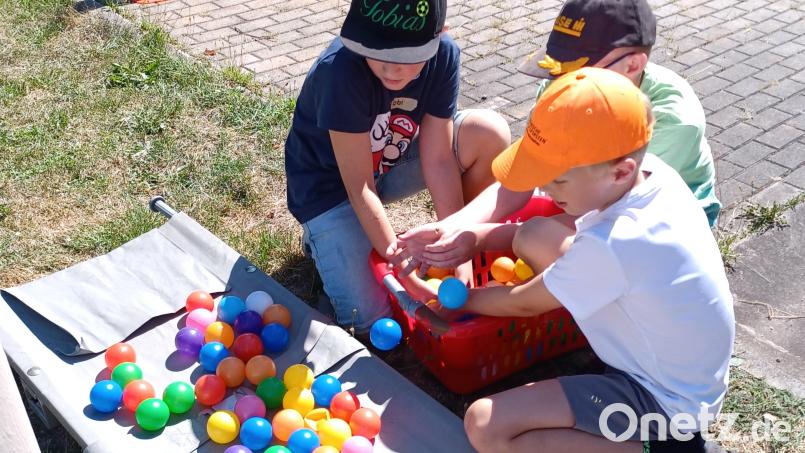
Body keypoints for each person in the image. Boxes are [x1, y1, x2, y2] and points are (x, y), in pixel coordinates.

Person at [455, 67, 735, 452]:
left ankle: (661, 448)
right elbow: (546, 242)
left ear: (620, 172)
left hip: (664, 406)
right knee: (537, 233)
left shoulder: (615, 243)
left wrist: (455, 300)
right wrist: (476, 238)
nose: (546, 189)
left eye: (559, 180)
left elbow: (522, 302)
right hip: (687, 384)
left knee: (486, 425)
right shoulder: (658, 175)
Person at [388, 0, 720, 275]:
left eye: (575, 72)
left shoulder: (672, 122)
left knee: (544, 245)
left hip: (657, 232)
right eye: (556, 72)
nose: (559, 84)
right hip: (590, 199)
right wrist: (456, 226)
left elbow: (606, 215)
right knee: (540, 243)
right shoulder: (563, 90)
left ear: (633, 64)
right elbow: (520, 178)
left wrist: (486, 237)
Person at [284, 0, 510, 333]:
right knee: (372, 317)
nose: (392, 70)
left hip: (388, 162)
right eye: (377, 52)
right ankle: (324, 237)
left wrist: (457, 243)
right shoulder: (341, 72)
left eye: (405, 57)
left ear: (440, 36)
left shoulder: (443, 54)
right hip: (331, 191)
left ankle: (472, 232)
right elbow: (359, 187)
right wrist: (401, 264)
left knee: (489, 133)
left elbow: (438, 158)